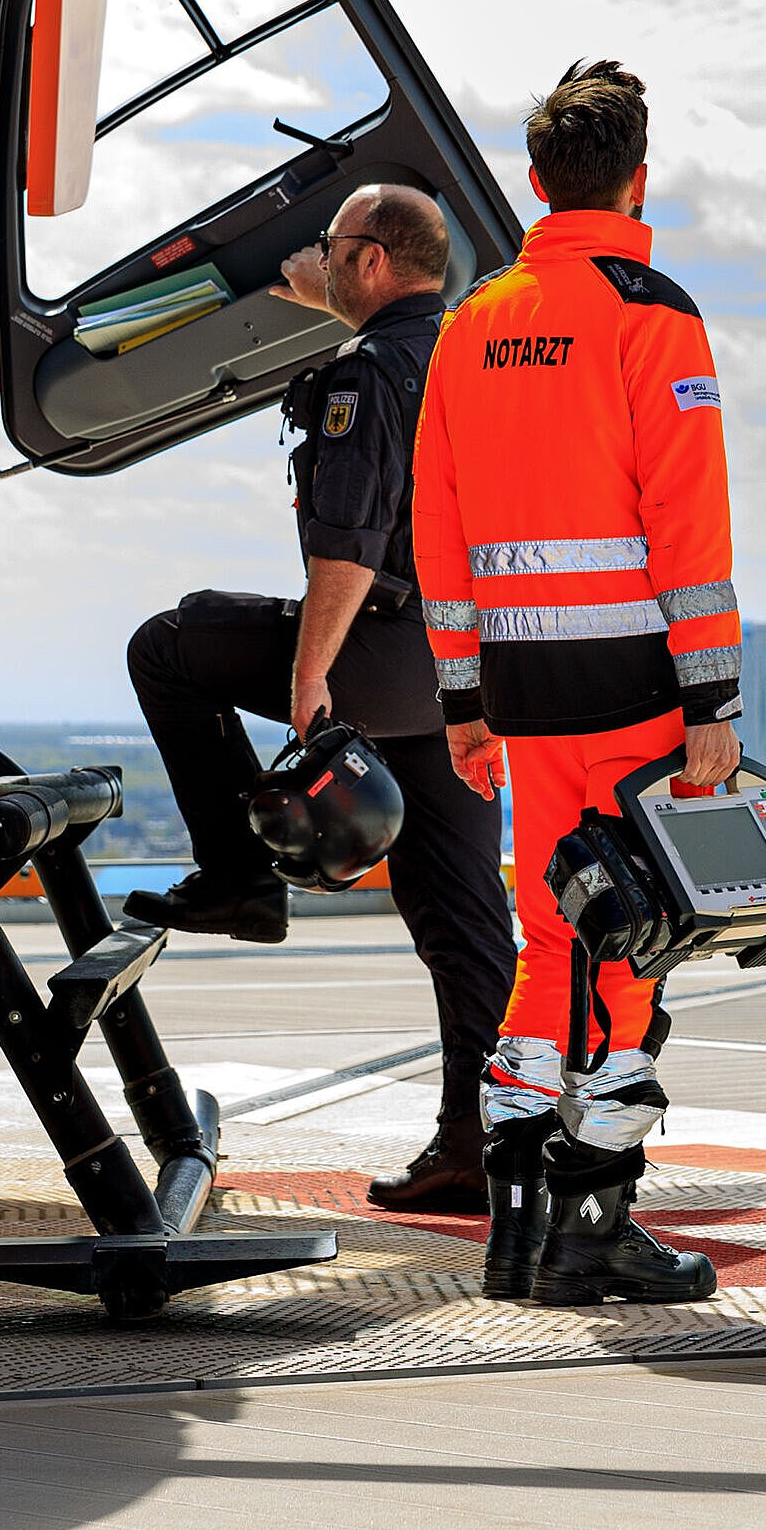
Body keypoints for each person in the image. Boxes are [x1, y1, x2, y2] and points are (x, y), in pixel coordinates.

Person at [119, 182, 516, 1216]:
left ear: (373, 260)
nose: (317, 256)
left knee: (168, 648)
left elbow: (349, 538)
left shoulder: (366, 373)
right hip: (470, 673)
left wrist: (308, 678)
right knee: (464, 912)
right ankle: (481, 1144)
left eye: (331, 246)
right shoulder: (471, 355)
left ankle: (239, 877)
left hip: (384, 652)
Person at [415, 60, 740, 1307]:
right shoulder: (651, 311)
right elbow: (685, 521)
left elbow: (434, 526)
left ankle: (512, 1231)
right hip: (635, 688)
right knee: (631, 944)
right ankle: (593, 1226)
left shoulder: (473, 319)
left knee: (546, 935)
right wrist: (711, 704)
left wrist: (461, 700)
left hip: (522, 692)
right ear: (636, 178)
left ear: (536, 182)